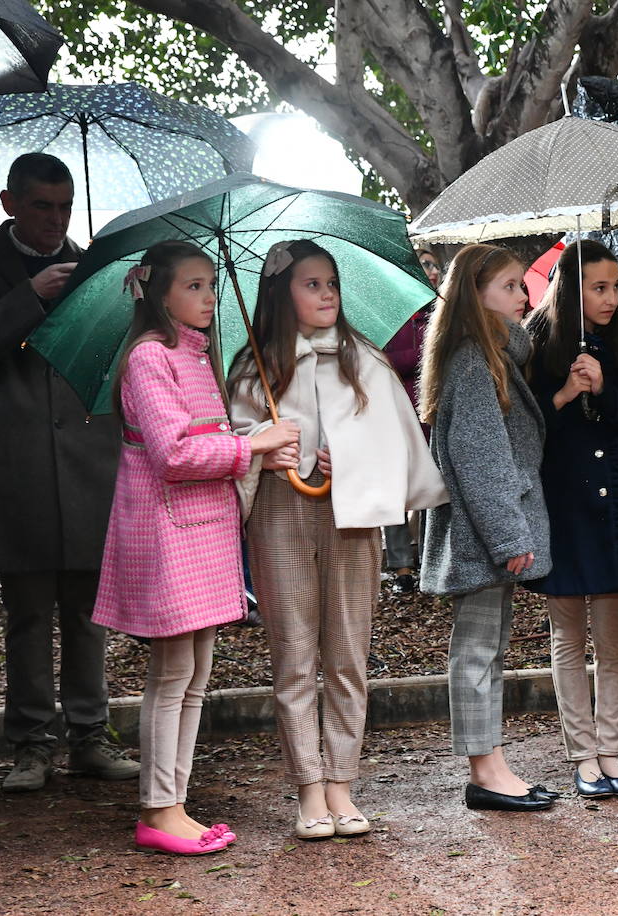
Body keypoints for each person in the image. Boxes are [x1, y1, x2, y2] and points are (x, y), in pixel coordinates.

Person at [228, 239, 447, 839]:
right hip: (278, 517)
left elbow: (394, 440)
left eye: (332, 284)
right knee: (294, 655)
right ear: (282, 293)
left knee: (348, 654)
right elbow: (235, 442)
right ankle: (309, 789)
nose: (327, 294)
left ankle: (343, 784)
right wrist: (264, 453)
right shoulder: (254, 368)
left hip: (352, 522)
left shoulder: (365, 361)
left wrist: (350, 458)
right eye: (311, 284)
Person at [92, 242, 300, 854]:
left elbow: (204, 437)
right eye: (194, 286)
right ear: (159, 293)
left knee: (195, 677)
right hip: (168, 531)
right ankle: (159, 810)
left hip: (205, 533)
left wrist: (254, 436)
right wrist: (254, 449)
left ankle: (174, 802)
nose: (209, 297)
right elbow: (174, 455)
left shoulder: (196, 355)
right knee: (172, 674)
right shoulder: (150, 359)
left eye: (211, 285)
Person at [0, 152, 137, 792]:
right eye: (41, 207)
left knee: (87, 611)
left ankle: (90, 736)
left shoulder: (96, 269)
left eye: (64, 207)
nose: (55, 221)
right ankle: (29, 744)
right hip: (16, 463)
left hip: (87, 460)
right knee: (26, 613)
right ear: (10, 204)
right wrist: (28, 297)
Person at [524, 240, 618, 798]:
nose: (610, 298)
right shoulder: (535, 342)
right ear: (571, 288)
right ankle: (581, 755)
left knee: (613, 635)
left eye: (615, 287)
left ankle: (611, 751)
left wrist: (607, 389)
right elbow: (525, 430)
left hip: (617, 503)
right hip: (564, 501)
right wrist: (563, 393)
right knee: (568, 632)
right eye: (598, 287)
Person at [419, 243, 557, 813]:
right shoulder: (474, 361)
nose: (522, 297)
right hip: (486, 535)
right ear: (474, 296)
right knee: (477, 650)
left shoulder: (491, 356)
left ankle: (491, 764)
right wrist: (509, 537)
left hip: (490, 530)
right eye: (508, 287)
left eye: (521, 286)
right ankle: (486, 770)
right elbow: (481, 458)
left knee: (488, 647)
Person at [380, 249, 441, 593]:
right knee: (396, 488)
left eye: (434, 265)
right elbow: (387, 357)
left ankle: (429, 560)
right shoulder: (393, 314)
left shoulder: (442, 311)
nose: (431, 272)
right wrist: (425, 356)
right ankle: (402, 566)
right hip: (398, 413)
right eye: (425, 265)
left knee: (433, 486)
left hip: (433, 413)